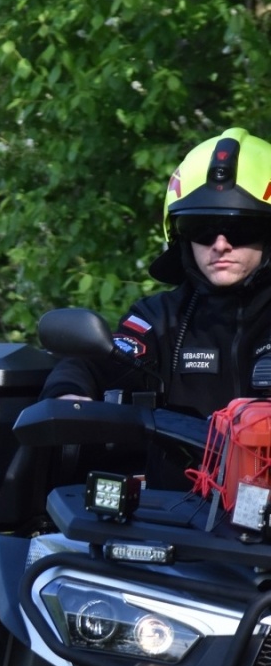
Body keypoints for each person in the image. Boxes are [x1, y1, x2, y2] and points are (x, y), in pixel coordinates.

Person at [42, 128, 271, 485]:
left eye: (240, 228)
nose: (221, 244)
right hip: (180, 517)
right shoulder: (160, 318)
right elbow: (94, 361)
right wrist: (69, 397)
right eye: (202, 227)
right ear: (180, 235)